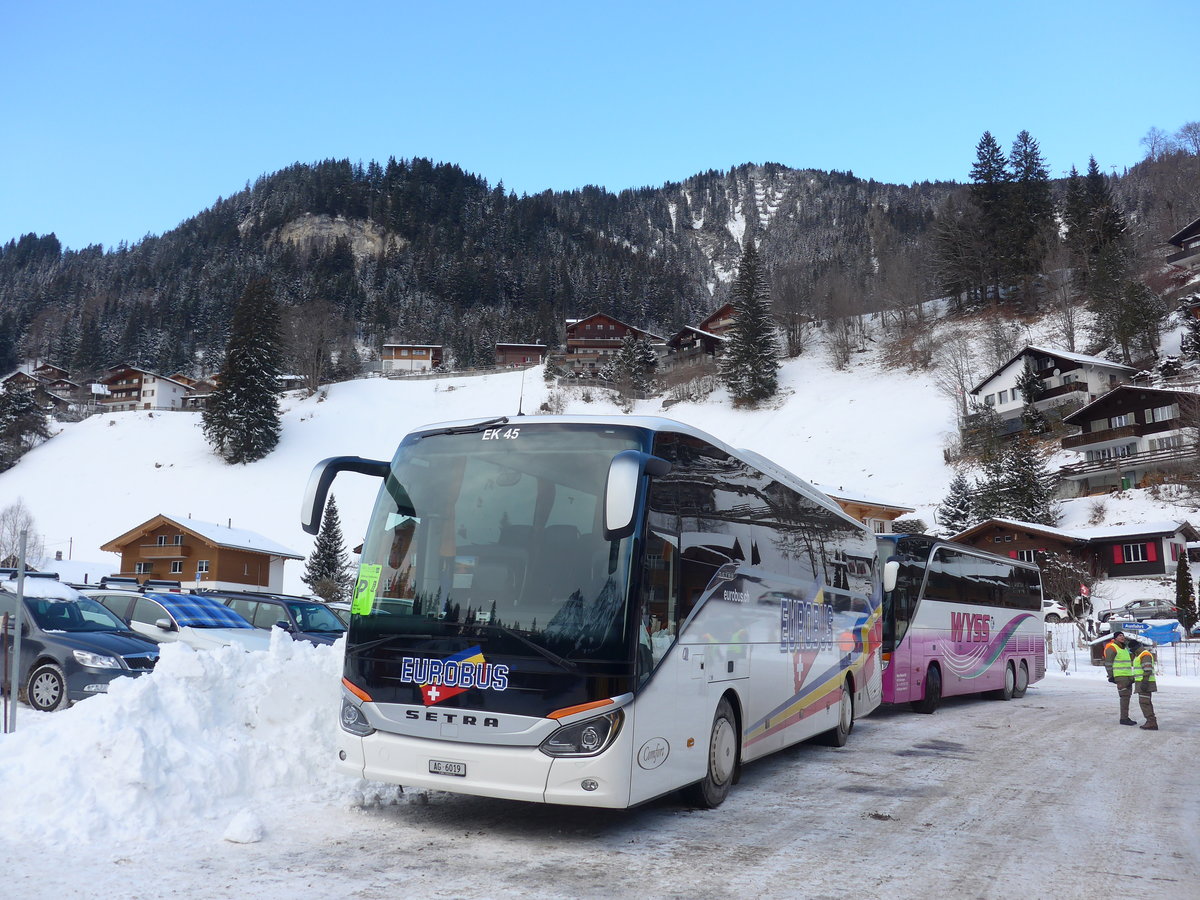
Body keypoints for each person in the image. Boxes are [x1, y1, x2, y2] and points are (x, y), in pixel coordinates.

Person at [1103, 631, 1138, 726]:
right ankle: (1124, 718)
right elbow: (1108, 663)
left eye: (1123, 635)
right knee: (1124, 697)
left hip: (1128, 676)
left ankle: (1125, 717)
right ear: (1115, 638)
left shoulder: (1124, 649)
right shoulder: (1112, 647)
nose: (1122, 637)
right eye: (1119, 636)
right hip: (1120, 676)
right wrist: (1111, 676)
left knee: (1127, 697)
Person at [1134, 643, 1159, 731]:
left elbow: (1147, 670)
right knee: (1145, 702)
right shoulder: (1141, 654)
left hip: (1145, 683)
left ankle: (1151, 722)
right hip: (1143, 682)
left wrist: (1144, 682)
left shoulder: (1145, 655)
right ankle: (1151, 721)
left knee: (1144, 702)